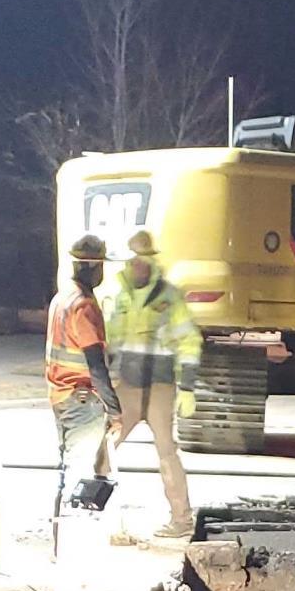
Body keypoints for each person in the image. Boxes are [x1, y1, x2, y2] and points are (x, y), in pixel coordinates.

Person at [102, 229, 202, 538]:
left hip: (159, 387)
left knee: (166, 452)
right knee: (104, 448)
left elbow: (189, 341)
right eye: (134, 260)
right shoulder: (121, 296)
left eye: (143, 260)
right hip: (128, 386)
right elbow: (111, 339)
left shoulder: (169, 297)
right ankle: (93, 511)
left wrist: (187, 386)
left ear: (152, 262)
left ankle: (181, 519)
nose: (138, 265)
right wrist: (106, 379)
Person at [46, 232, 123, 496]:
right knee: (79, 472)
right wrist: (114, 410)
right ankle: (72, 517)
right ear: (92, 266)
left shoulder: (62, 298)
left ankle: (62, 516)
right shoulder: (84, 306)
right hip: (81, 398)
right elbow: (95, 364)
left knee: (68, 466)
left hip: (61, 395)